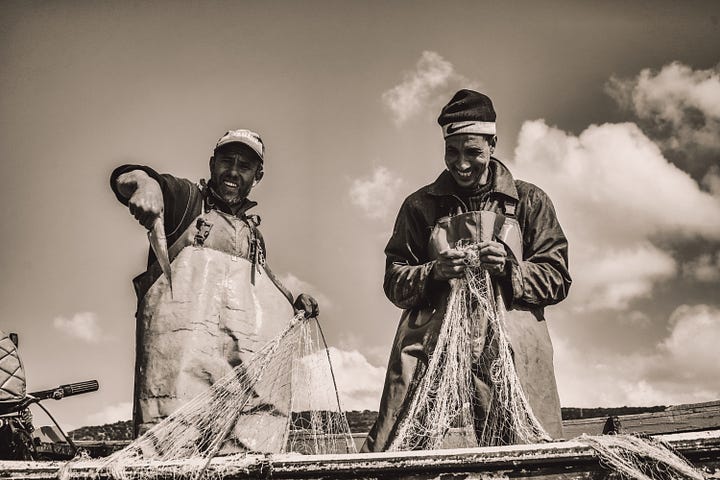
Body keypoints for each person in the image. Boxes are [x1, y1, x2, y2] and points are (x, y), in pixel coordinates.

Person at [363, 90, 571, 452]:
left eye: (472, 151)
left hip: (510, 354)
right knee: (402, 448)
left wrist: (510, 269)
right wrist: (433, 272)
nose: (460, 164)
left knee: (526, 458)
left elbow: (557, 278)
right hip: (432, 351)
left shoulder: (529, 201)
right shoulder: (419, 206)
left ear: (493, 143)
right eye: (452, 151)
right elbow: (394, 282)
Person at [111, 129, 319, 439]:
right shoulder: (185, 202)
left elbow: (264, 292)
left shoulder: (254, 238)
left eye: (245, 166)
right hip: (177, 400)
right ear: (212, 164)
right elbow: (125, 177)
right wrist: (145, 184)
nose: (233, 171)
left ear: (257, 175)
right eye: (227, 161)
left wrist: (293, 302)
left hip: (237, 406)